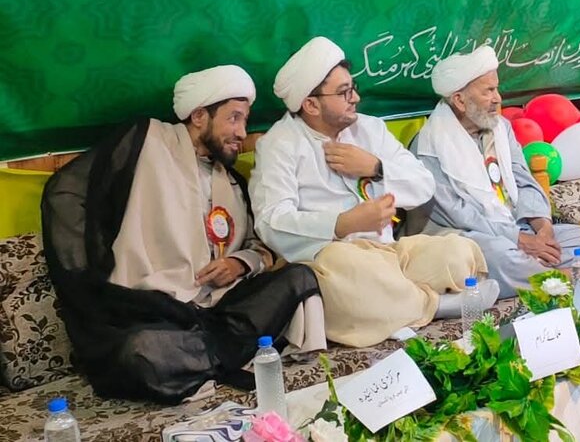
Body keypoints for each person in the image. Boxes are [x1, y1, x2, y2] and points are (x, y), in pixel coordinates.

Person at [41, 65, 324, 404]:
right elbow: (64, 192)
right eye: (234, 118)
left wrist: (239, 263)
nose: (241, 132)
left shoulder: (232, 182)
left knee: (299, 277)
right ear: (199, 115)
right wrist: (92, 272)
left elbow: (260, 247)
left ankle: (204, 357)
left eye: (245, 121)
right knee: (141, 350)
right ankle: (221, 357)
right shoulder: (145, 140)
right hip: (151, 309)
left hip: (218, 309)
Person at [250, 37, 495, 348]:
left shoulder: (369, 129)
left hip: (391, 255)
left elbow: (424, 184)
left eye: (353, 88)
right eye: (344, 92)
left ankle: (400, 306)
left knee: (457, 252)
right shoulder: (279, 145)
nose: (356, 98)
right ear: (311, 104)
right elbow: (271, 221)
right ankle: (436, 305)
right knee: (348, 269)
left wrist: (376, 167)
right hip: (337, 263)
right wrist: (341, 224)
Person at [410, 45, 580, 300]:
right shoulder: (429, 146)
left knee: (578, 237)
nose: (498, 98)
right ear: (460, 100)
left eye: (496, 89)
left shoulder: (501, 129)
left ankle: (525, 274)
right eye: (488, 91)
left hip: (513, 226)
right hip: (464, 236)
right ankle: (563, 277)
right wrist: (518, 239)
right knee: (496, 253)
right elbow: (459, 214)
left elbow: (523, 179)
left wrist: (543, 229)